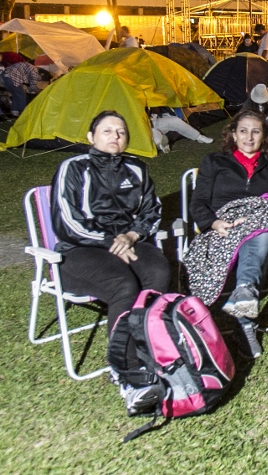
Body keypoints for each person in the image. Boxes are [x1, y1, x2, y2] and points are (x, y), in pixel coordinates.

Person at [50, 111, 169, 415]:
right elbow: (66, 222)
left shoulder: (136, 168)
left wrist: (130, 235)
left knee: (158, 272)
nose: (115, 137)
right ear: (91, 137)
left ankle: (152, 352)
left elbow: (151, 212)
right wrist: (110, 242)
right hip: (80, 250)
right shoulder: (73, 169)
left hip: (127, 242)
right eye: (107, 131)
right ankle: (127, 373)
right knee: (123, 284)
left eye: (120, 131)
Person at [189, 110, 268, 357]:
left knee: (262, 224)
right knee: (260, 232)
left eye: (256, 131)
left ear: (264, 135)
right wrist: (214, 223)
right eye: (243, 130)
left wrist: (254, 216)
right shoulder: (214, 161)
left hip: (257, 225)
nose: (249, 137)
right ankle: (245, 313)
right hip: (221, 228)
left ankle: (244, 305)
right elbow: (198, 203)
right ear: (233, 134)